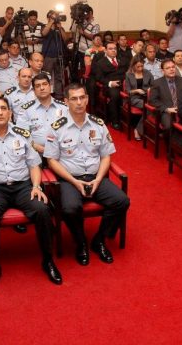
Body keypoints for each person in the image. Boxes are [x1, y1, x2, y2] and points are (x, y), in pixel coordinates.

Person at [0, 95, 62, 292]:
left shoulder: (22, 134)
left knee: (42, 209)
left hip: (22, 186)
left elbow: (34, 165)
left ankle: (48, 260)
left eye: (4, 108)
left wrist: (36, 187)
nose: (0, 112)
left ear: (10, 113)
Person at [44, 83, 130, 266]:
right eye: (74, 99)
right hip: (69, 179)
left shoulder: (98, 124)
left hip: (95, 177)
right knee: (69, 208)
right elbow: (51, 161)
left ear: (87, 99)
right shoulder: (56, 127)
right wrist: (75, 182)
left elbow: (106, 156)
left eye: (82, 97)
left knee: (121, 201)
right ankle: (81, 242)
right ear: (66, 102)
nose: (79, 102)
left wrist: (98, 179)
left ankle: (99, 240)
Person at [16, 73, 68, 156]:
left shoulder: (64, 108)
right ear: (34, 91)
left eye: (44, 84)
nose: (42, 88)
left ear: (50, 86)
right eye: (38, 86)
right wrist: (34, 145)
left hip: (61, 153)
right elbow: (20, 135)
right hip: (35, 154)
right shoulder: (26, 110)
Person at [95, 41, 127, 130]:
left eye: (115, 49)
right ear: (105, 50)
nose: (113, 51)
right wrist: (110, 83)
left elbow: (128, 72)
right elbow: (99, 78)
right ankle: (115, 121)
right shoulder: (100, 63)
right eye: (110, 49)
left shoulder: (123, 59)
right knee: (115, 95)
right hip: (110, 86)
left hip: (125, 83)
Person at [149, 59, 182, 130]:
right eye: (168, 68)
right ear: (163, 71)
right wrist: (167, 109)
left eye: (173, 67)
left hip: (181, 109)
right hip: (166, 111)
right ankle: (168, 139)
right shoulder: (157, 83)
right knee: (168, 126)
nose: (171, 69)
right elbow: (152, 100)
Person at [124, 55, 153, 140]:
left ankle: (141, 128)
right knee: (149, 107)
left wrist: (150, 89)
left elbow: (154, 85)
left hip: (147, 97)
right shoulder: (128, 74)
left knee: (151, 106)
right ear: (133, 65)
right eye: (138, 66)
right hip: (134, 98)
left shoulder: (147, 72)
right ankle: (138, 130)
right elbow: (127, 91)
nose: (140, 68)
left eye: (142, 66)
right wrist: (136, 90)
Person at [41, 10, 69, 99]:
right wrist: (51, 23)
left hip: (59, 56)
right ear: (48, 18)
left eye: (55, 17)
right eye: (53, 17)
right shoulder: (45, 27)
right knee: (46, 77)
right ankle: (45, 95)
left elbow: (65, 39)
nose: (55, 18)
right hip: (48, 56)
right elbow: (44, 33)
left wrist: (60, 28)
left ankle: (59, 96)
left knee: (59, 78)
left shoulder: (59, 28)